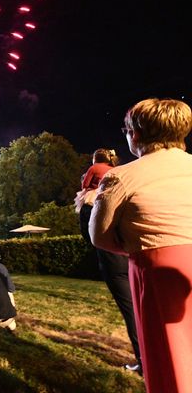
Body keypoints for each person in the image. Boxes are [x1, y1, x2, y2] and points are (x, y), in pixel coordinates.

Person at [90, 98, 192, 393]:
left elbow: (100, 235)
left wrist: (137, 245)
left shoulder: (120, 176)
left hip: (158, 271)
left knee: (171, 357)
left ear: (135, 133)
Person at [77, 148, 142, 374]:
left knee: (131, 311)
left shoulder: (94, 199)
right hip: (136, 257)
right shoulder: (125, 180)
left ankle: (145, 361)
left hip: (115, 262)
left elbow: (92, 236)